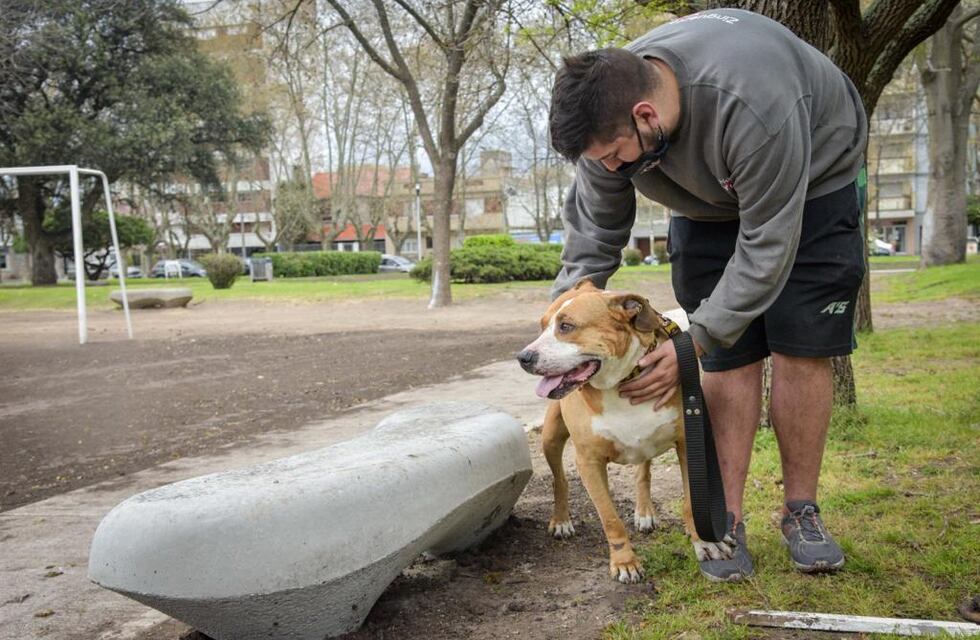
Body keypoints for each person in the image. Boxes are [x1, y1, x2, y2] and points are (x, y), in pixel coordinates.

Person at [548, 8, 867, 582]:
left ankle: (802, 511)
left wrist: (692, 339)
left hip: (813, 181)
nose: (613, 169)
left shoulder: (753, 103)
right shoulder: (607, 123)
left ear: (646, 115)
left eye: (619, 157)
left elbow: (769, 244)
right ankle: (724, 517)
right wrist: (560, 329)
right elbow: (593, 240)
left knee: (800, 347)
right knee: (726, 354)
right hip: (705, 201)